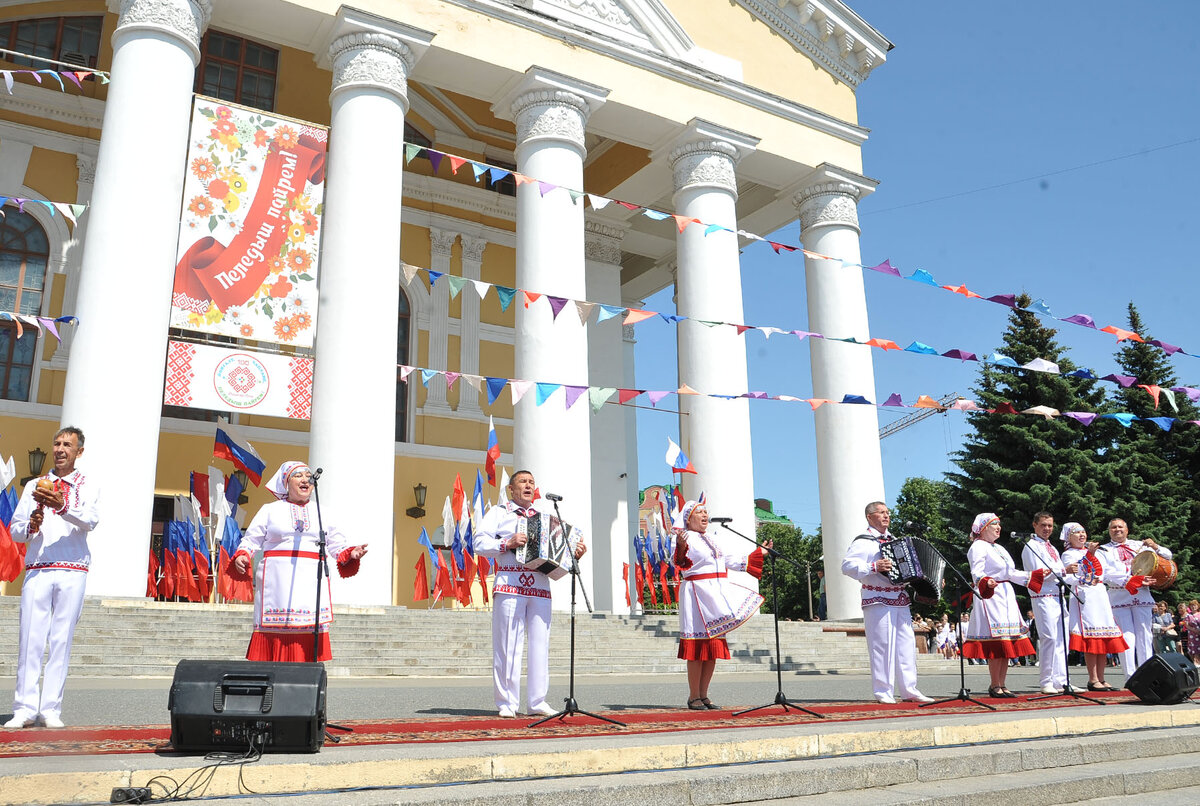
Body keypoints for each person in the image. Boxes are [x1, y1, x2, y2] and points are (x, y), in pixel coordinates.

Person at [5, 427, 99, 729]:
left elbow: (90, 520)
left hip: (73, 568)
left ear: (78, 452)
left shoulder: (87, 485)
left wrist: (62, 506)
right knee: (30, 638)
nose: (60, 449)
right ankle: (24, 707)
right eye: (57, 444)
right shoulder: (34, 484)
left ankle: (50, 709)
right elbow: (16, 530)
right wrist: (31, 525)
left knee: (61, 641)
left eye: (67, 445)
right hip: (38, 568)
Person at [229, 461, 367, 662]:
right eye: (298, 475)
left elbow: (336, 544)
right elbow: (251, 539)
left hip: (310, 579)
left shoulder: (322, 512)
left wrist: (351, 553)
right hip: (276, 580)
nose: (305, 479)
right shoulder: (270, 510)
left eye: (308, 475)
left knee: (308, 629)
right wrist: (243, 554)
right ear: (286, 482)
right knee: (274, 628)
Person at [476, 470, 587, 718]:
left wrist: (574, 553)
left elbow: (558, 555)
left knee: (540, 643)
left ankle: (537, 701)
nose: (528, 486)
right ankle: (507, 702)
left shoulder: (546, 518)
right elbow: (479, 543)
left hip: (539, 584)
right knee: (507, 645)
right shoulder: (499, 513)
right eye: (523, 482)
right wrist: (507, 542)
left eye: (531, 482)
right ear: (511, 489)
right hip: (510, 581)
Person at [670, 499, 765, 710]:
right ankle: (693, 695)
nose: (705, 515)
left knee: (713, 646)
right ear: (688, 518)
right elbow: (678, 562)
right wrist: (681, 546)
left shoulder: (712, 538)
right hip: (696, 594)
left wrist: (759, 555)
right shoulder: (682, 537)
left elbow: (728, 559)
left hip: (715, 594)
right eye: (699, 512)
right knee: (697, 647)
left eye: (706, 512)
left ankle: (704, 695)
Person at [840, 501, 933, 704]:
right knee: (882, 646)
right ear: (869, 517)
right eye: (881, 513)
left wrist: (926, 578)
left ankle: (910, 689)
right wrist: (874, 566)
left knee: (906, 645)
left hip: (899, 598)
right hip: (877, 597)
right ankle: (883, 691)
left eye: (887, 512)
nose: (886, 516)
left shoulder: (895, 540)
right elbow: (847, 566)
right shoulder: (863, 541)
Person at [961, 513, 1044, 697]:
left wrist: (1033, 576)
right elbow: (977, 571)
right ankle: (994, 684)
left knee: (1006, 642)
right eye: (994, 525)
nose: (999, 527)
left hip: (1006, 594)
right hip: (992, 594)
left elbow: (1011, 573)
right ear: (983, 528)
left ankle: (1002, 683)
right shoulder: (979, 546)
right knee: (997, 642)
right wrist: (985, 581)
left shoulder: (998, 547)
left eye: (999, 524)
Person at [1060, 522, 1128, 691]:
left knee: (1103, 635)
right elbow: (1072, 575)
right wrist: (1089, 555)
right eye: (1077, 533)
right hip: (1084, 595)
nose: (1082, 535)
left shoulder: (1096, 553)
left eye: (1083, 532)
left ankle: (1102, 677)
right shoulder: (1068, 554)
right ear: (1069, 537)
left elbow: (1105, 572)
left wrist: (1132, 579)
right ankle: (1093, 678)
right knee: (1092, 636)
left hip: (1099, 594)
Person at [1100, 517, 1169, 679]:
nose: (1117, 530)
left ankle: (1148, 674)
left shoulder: (1139, 545)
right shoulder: (1104, 550)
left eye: (1120, 527)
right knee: (1126, 635)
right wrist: (1129, 579)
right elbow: (1105, 573)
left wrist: (1155, 546)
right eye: (1114, 528)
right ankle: (1130, 676)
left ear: (1127, 530)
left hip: (1142, 594)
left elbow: (1167, 556)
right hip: (1119, 595)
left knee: (1145, 634)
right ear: (1109, 531)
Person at [1020, 511, 1076, 694]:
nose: (1047, 529)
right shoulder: (1031, 546)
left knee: (1062, 639)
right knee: (1049, 637)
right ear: (1035, 525)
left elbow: (1058, 573)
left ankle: (1061, 680)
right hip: (1043, 596)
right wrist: (1064, 570)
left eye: (1050, 526)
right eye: (1043, 525)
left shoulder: (1051, 547)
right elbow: (1039, 572)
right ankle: (1046, 680)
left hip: (1058, 595)